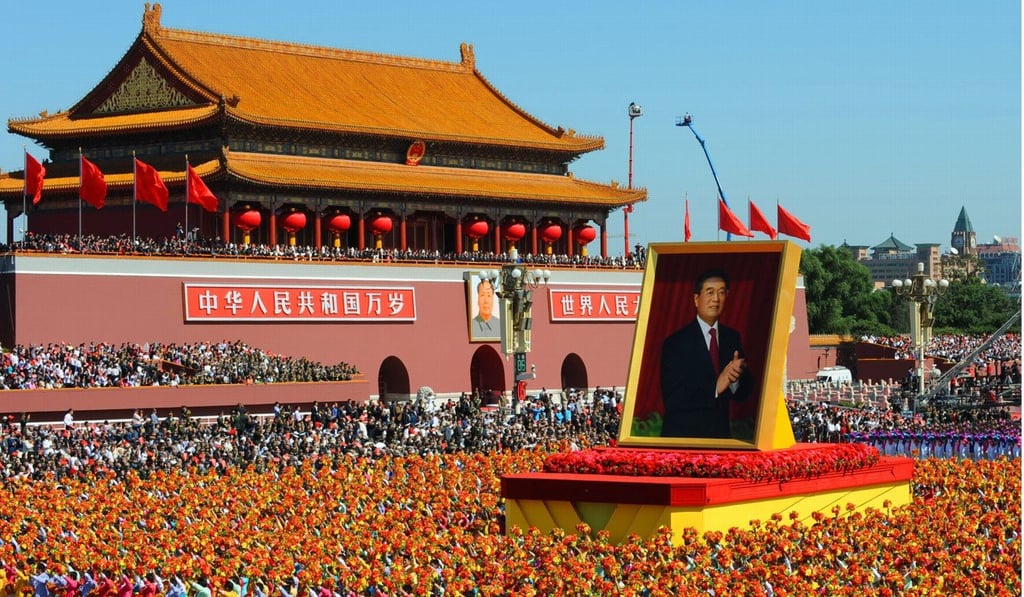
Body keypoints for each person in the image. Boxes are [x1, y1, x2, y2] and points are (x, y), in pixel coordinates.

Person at [659, 269, 751, 438]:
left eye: (721, 293)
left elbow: (744, 394)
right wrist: (717, 386)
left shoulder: (732, 338)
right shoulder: (675, 343)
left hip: (720, 438)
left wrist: (735, 380)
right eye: (710, 292)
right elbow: (673, 398)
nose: (716, 299)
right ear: (696, 299)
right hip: (684, 439)